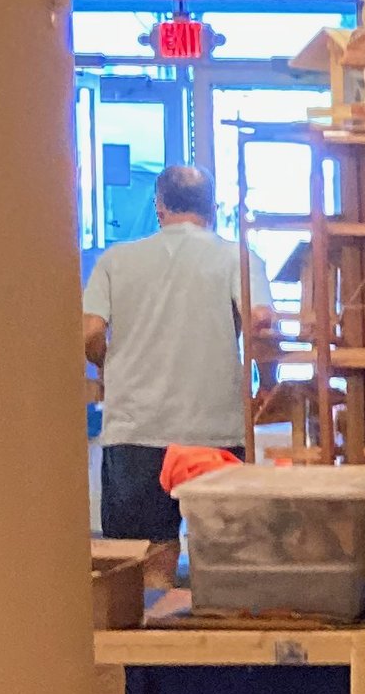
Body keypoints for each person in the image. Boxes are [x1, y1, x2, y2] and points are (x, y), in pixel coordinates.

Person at [81, 165, 276, 563]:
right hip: (214, 430)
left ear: (160, 207)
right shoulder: (238, 258)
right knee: (224, 557)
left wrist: (106, 365)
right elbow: (262, 323)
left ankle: (156, 598)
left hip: (135, 429)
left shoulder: (115, 261)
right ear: (212, 207)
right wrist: (267, 385)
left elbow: (90, 332)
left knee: (144, 560)